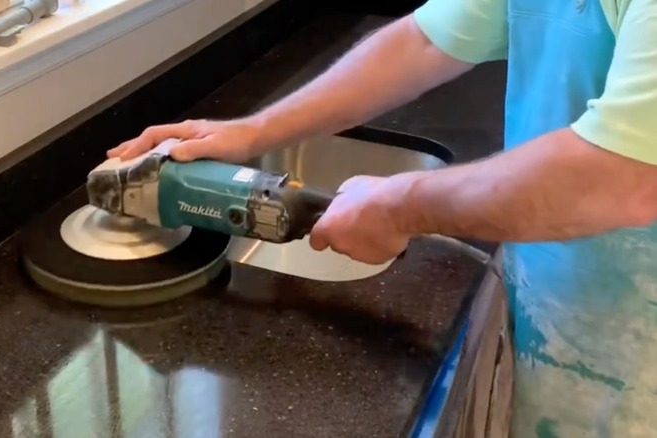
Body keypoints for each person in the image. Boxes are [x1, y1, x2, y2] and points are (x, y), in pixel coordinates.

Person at [108, 0, 657, 435]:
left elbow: (624, 175)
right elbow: (424, 41)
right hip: (564, 334)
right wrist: (250, 132)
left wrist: (401, 206)